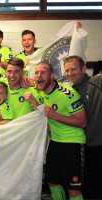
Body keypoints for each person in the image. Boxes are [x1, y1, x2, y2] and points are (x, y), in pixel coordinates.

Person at [26, 62, 86, 200]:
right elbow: (42, 108)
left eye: (43, 72)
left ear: (52, 76)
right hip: (54, 142)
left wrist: (54, 115)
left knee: (73, 189)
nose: (38, 76)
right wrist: (34, 102)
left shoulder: (68, 94)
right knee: (52, 182)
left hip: (73, 143)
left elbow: (82, 122)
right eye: (36, 73)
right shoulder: (39, 91)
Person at [63, 55, 102, 199]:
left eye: (73, 69)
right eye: (66, 70)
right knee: (89, 186)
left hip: (98, 143)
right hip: (85, 146)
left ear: (84, 69)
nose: (70, 73)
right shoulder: (71, 92)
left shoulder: (97, 81)